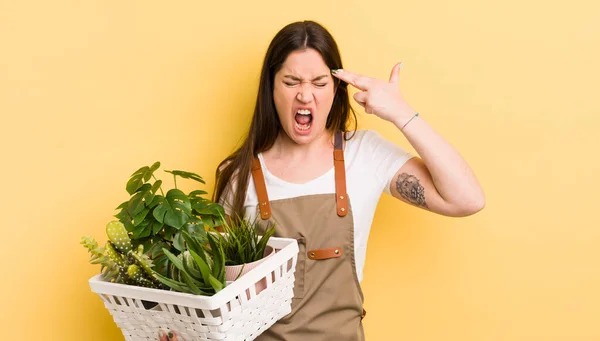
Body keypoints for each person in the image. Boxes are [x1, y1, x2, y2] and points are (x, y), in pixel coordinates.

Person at [158, 20, 485, 341]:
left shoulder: (365, 155)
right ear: (270, 88)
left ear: (336, 90)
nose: (304, 95)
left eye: (318, 82)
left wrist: (401, 113)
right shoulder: (239, 174)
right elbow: (217, 294)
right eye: (291, 82)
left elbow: (466, 198)